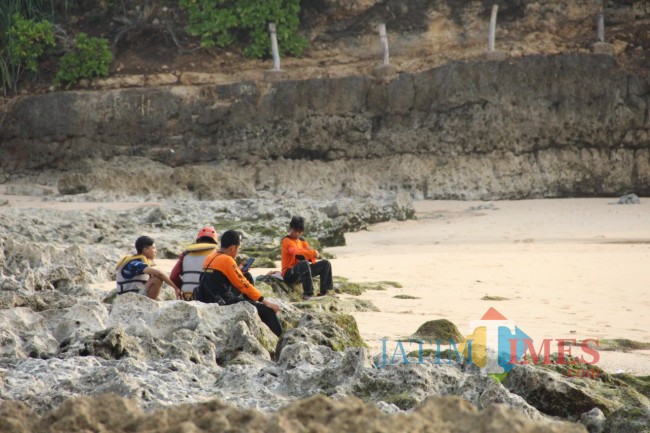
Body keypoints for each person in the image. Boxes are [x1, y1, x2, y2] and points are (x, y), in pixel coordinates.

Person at [195, 230, 283, 336]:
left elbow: (219, 277)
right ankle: (281, 339)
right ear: (233, 248)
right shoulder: (227, 260)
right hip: (222, 302)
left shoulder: (210, 257)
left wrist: (238, 270)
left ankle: (252, 308)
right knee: (268, 311)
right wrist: (267, 303)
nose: (238, 252)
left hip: (208, 298)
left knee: (247, 275)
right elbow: (244, 285)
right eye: (238, 248)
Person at [281, 215, 333, 300]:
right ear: (290, 228)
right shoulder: (286, 240)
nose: (297, 233)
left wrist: (311, 254)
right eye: (295, 230)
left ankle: (325, 292)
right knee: (303, 263)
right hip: (289, 274)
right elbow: (296, 253)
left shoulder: (302, 240)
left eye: (300, 231)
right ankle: (308, 294)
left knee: (325, 263)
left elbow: (309, 257)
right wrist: (313, 253)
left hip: (303, 271)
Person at [115, 236, 182, 300]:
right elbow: (159, 273)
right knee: (156, 279)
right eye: (153, 248)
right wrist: (176, 288)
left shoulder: (139, 261)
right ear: (145, 250)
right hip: (127, 299)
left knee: (160, 300)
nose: (156, 251)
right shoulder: (134, 263)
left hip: (135, 295)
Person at [170, 227, 219, 301]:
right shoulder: (218, 255)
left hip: (187, 297)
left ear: (198, 241)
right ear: (215, 242)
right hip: (207, 298)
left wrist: (182, 286)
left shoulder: (185, 254)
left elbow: (173, 276)